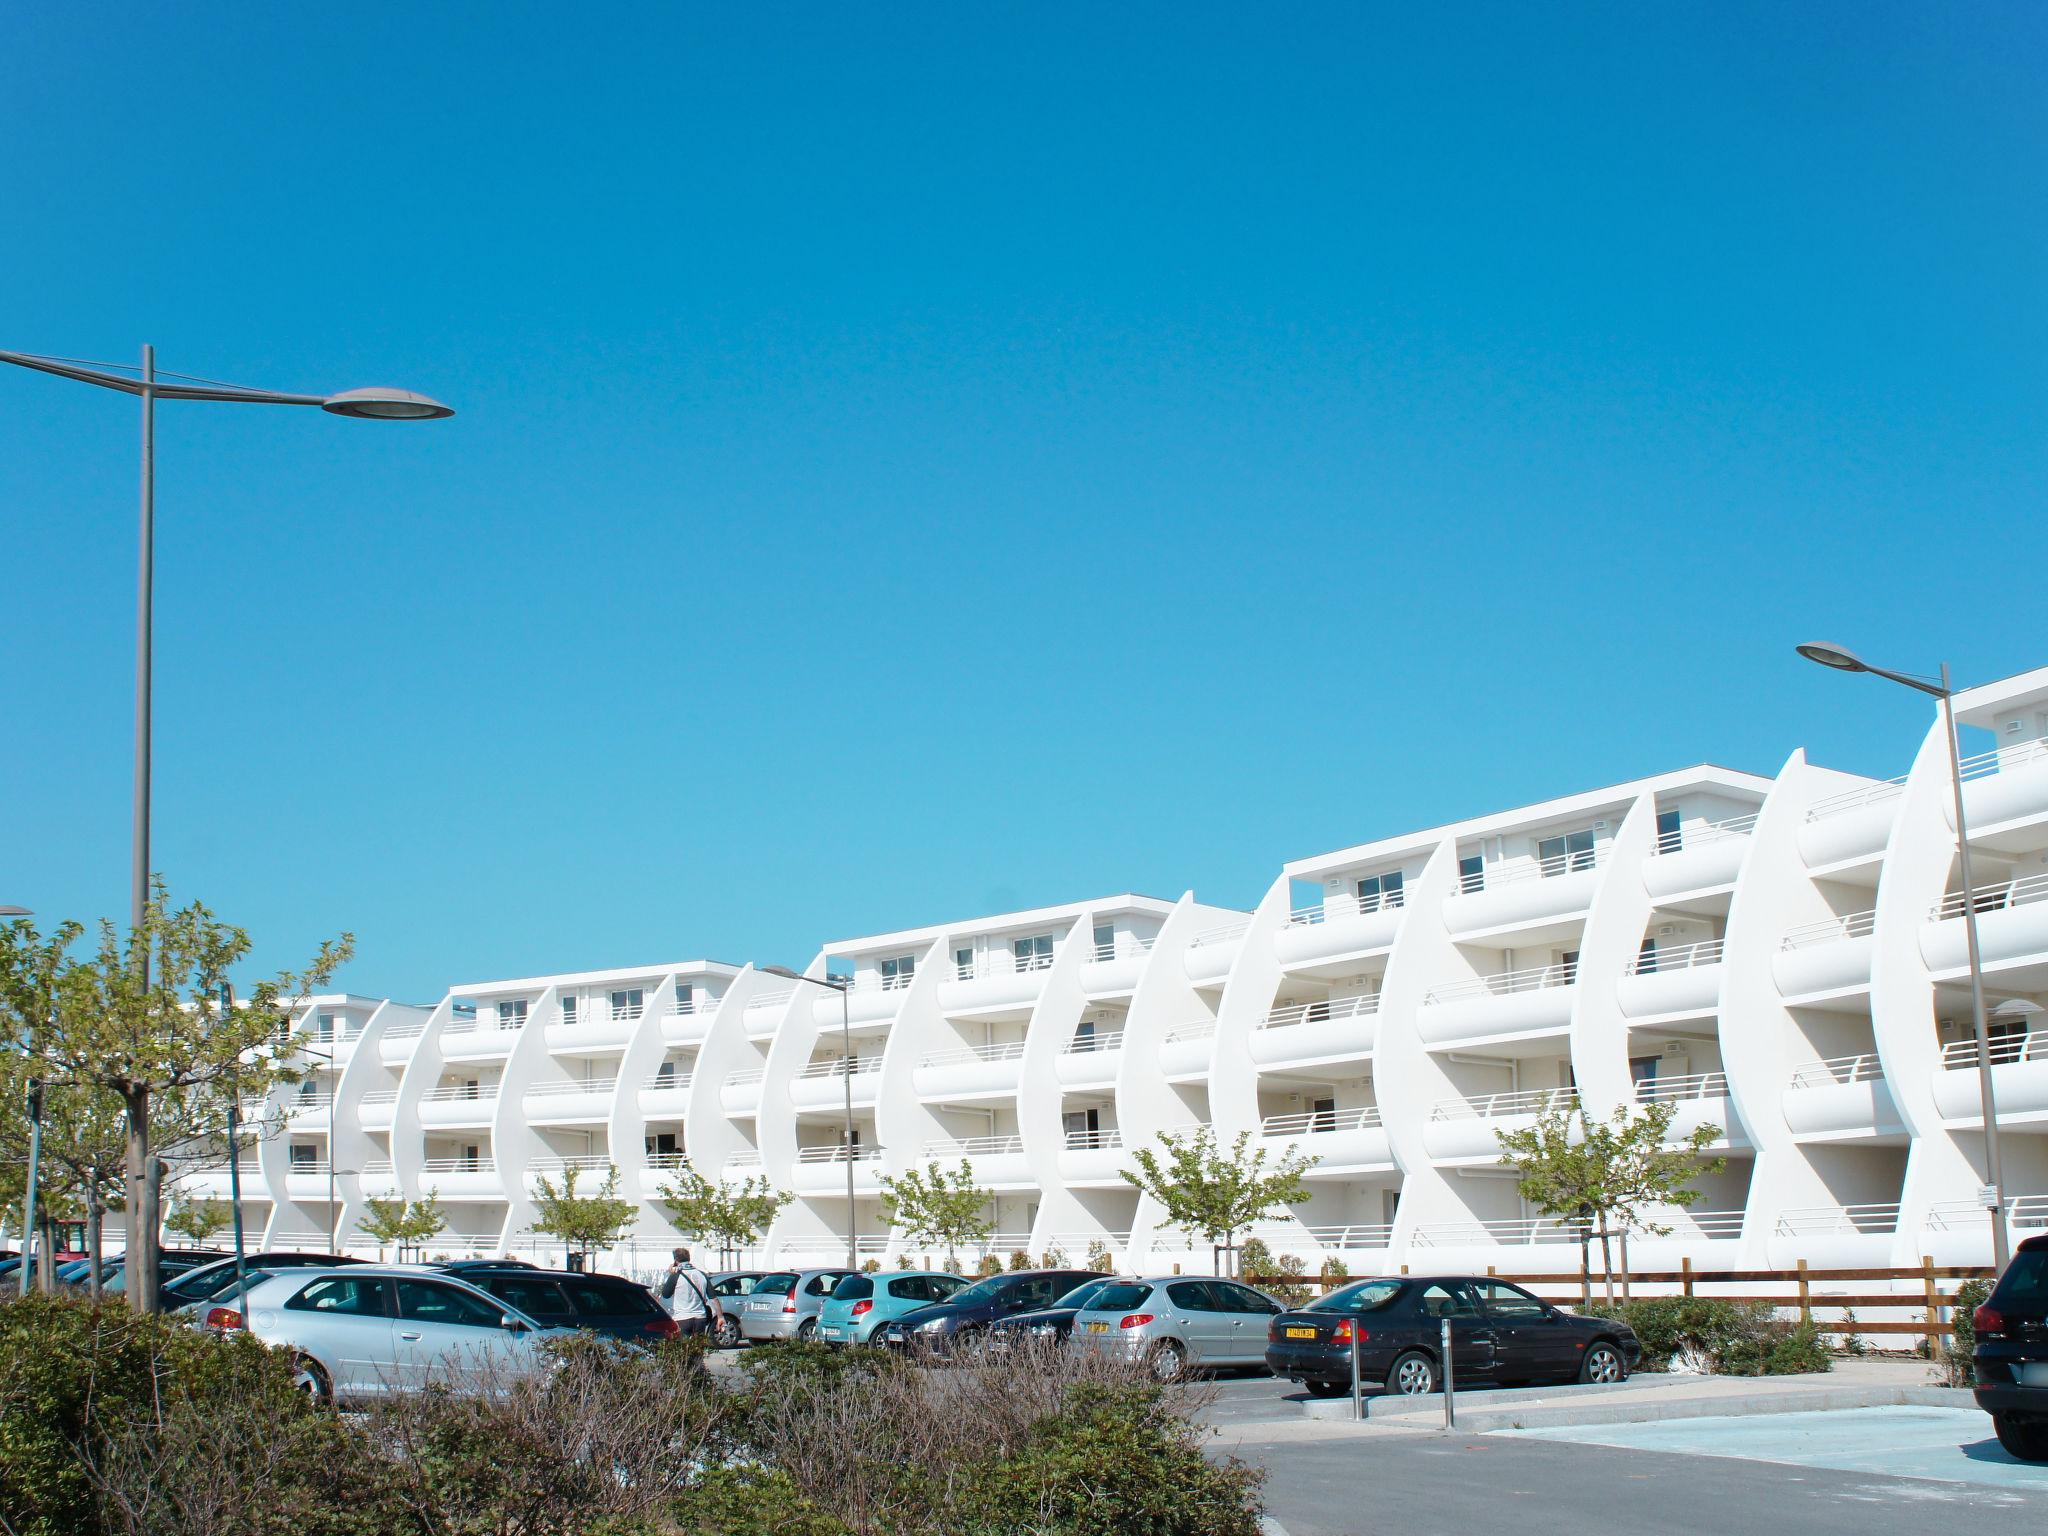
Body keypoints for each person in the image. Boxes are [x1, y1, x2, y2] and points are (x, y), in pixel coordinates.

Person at [660, 1246, 721, 1338]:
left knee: (684, 1349)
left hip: (682, 1318)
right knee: (698, 1347)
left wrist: (671, 1274)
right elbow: (714, 1299)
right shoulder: (701, 1274)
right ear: (689, 1258)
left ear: (676, 1260)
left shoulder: (676, 1276)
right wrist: (720, 1317)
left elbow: (666, 1294)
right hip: (700, 1317)